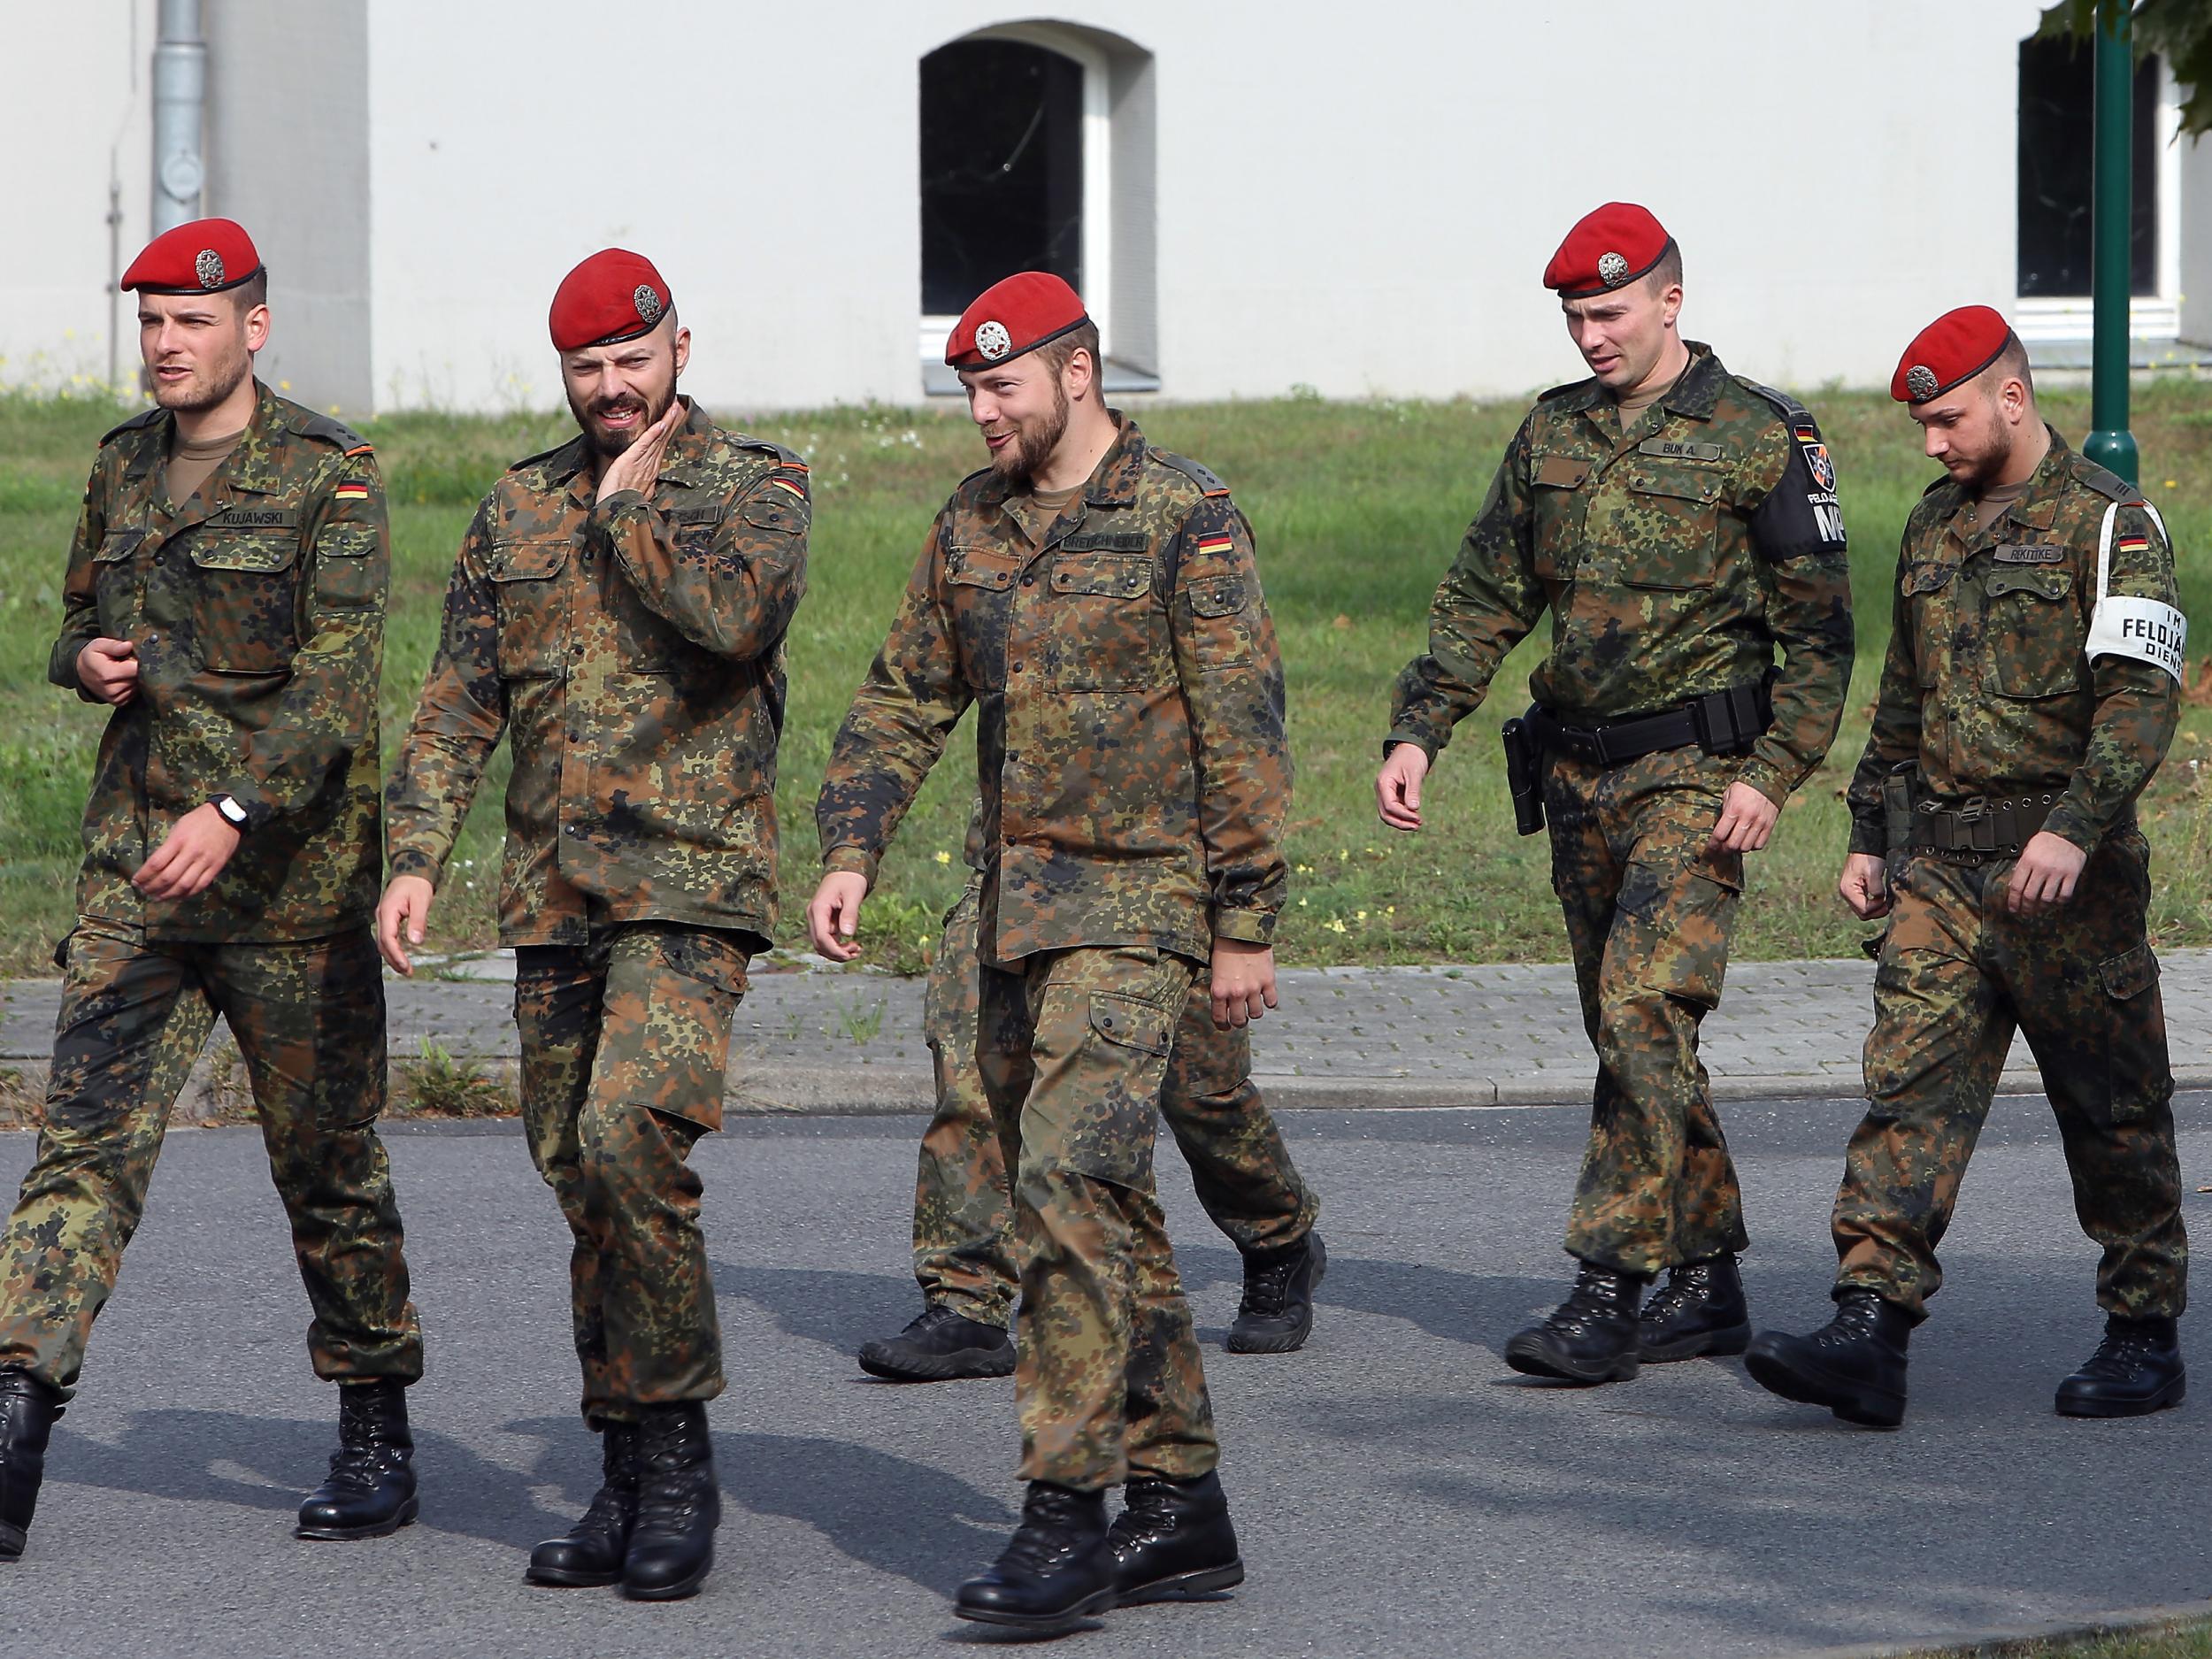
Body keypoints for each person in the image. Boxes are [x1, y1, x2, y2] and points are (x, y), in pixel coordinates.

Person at [809, 272, 1289, 1632]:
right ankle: (1182, 1503)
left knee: (1068, 1178)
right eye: (968, 388)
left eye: (1001, 386)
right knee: (1107, 1205)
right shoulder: (970, 522)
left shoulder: (1184, 517)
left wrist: (1245, 921)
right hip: (1009, 906)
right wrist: (852, 846)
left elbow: (1243, 728)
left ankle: (1064, 1511)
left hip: (1141, 906)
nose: (981, 412)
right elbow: (905, 694)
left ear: (1078, 374)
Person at [380, 249, 809, 1599]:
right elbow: (459, 694)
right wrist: (412, 854)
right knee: (581, 1174)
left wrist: (627, 514)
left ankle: (679, 1459)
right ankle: (622, 1462)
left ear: (682, 347)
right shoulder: (515, 507)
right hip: (553, 895)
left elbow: (738, 621)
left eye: (633, 359)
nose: (612, 387)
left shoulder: (758, 489)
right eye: (587, 368)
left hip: (690, 883)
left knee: (631, 1140)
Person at [0, 218, 424, 1561]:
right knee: (82, 1146)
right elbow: (72, 615)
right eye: (151, 324)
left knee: (328, 1163)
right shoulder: (125, 462)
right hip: (140, 874)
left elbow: (342, 685)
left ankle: (373, 1418)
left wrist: (236, 806)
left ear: (254, 324)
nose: (167, 346)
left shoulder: (328, 475)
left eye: (192, 321)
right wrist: (87, 662)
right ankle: (16, 1406)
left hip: (287, 882)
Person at [1375, 203, 1854, 1386]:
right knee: (1632, 1027)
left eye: (1610, 309)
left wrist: (1774, 774)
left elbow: (1824, 636)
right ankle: (1707, 1278)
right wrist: (1420, 726)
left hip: (1697, 772)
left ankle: (1610, 1281)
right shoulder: (1552, 435)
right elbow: (1488, 586)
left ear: (1670, 301)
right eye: (1575, 315)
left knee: (1644, 1008)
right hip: (1579, 771)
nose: (1591, 332)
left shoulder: (1763, 435)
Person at [1746, 306, 2189, 1429]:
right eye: (1921, 424)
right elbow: (1904, 699)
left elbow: (2141, 707)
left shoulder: (2111, 525)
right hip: (1940, 869)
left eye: (1945, 418)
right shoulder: (1934, 527)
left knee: (2111, 1108)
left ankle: (2142, 1329)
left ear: (2010, 394)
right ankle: (1869, 1328)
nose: (1931, 442)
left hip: (2065, 878)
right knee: (1907, 1090)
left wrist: (2076, 828)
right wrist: (1865, 833)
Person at [859, 803, 1324, 1384]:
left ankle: (1278, 1234)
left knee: (1198, 1092)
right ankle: (966, 1300)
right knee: (974, 1077)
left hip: (1160, 878)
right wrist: (851, 854)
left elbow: (1243, 745)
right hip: (1015, 871)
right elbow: (904, 711)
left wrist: (1245, 916)